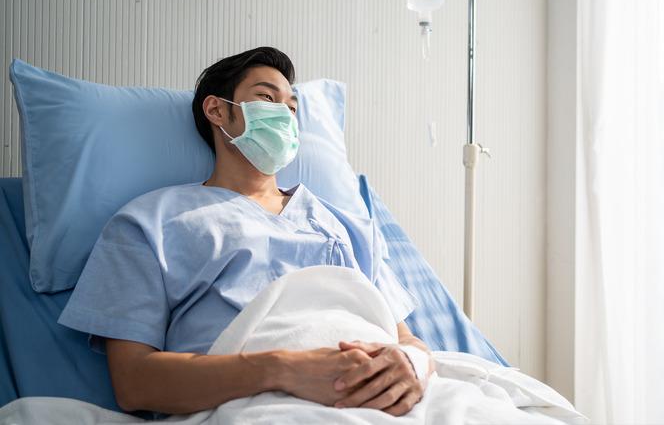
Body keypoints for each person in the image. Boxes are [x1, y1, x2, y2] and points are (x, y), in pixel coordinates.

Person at [58, 46, 432, 417]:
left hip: (390, 398)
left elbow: (407, 340)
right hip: (257, 407)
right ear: (217, 109)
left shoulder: (349, 225)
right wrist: (285, 370)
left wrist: (413, 365)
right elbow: (135, 383)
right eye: (267, 98)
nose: (285, 116)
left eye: (291, 107)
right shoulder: (149, 223)